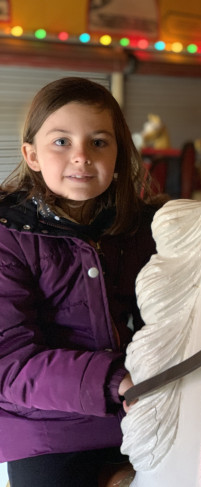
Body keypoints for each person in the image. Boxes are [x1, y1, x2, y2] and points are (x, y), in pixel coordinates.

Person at [0, 77, 161, 486]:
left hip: (134, 412)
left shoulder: (137, 229)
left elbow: (165, 318)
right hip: (46, 430)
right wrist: (114, 379)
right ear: (31, 155)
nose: (82, 157)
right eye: (61, 142)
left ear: (119, 155)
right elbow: (9, 364)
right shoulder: (8, 236)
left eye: (99, 142)